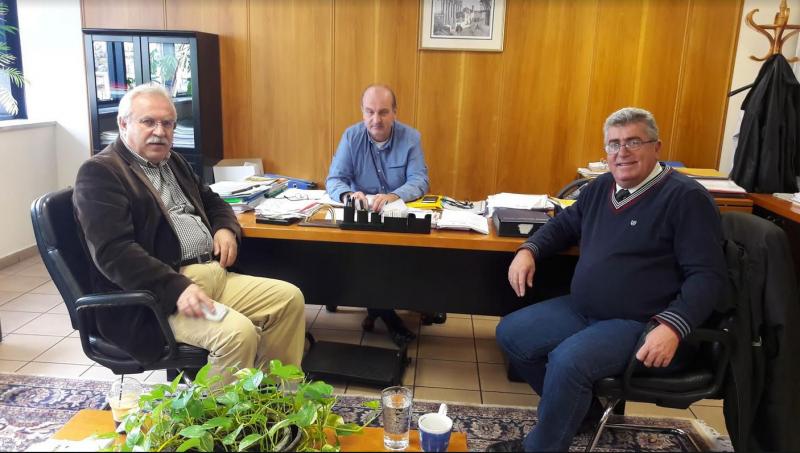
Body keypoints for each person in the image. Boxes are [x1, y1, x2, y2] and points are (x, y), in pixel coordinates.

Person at [489, 107, 728, 451]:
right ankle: (582, 413)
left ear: (656, 147)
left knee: (567, 362)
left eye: (633, 142)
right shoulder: (601, 186)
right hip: (584, 309)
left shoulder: (686, 198)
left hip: (642, 322)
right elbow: (563, 225)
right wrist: (529, 250)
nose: (622, 152)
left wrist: (673, 326)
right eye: (614, 144)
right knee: (512, 334)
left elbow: (707, 276)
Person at [73, 83, 305, 382]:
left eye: (168, 123)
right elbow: (114, 253)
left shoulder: (173, 161)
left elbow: (213, 200)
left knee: (288, 300)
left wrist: (225, 228)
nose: (160, 131)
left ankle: (275, 402)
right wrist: (176, 287)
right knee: (237, 333)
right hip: (158, 297)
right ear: (123, 124)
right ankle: (217, 413)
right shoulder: (101, 173)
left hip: (213, 276)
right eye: (148, 122)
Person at [325, 84, 444, 346]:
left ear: (394, 113)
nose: (375, 120)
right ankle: (390, 318)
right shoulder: (351, 137)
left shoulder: (410, 138)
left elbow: (420, 180)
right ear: (362, 112)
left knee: (407, 256)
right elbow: (334, 180)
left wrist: (394, 195)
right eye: (369, 112)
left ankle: (411, 300)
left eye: (383, 112)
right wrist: (348, 195)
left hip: (397, 218)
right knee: (369, 259)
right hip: (363, 221)